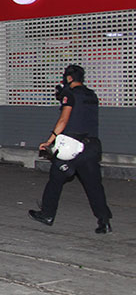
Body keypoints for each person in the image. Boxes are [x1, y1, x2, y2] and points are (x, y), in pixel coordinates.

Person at [29, 64, 113, 234]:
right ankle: (104, 221)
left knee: (55, 180)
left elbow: (63, 120)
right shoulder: (91, 94)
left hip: (71, 147)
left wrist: (49, 141)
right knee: (94, 185)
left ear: (68, 78)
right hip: (91, 146)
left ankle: (47, 214)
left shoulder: (70, 94)